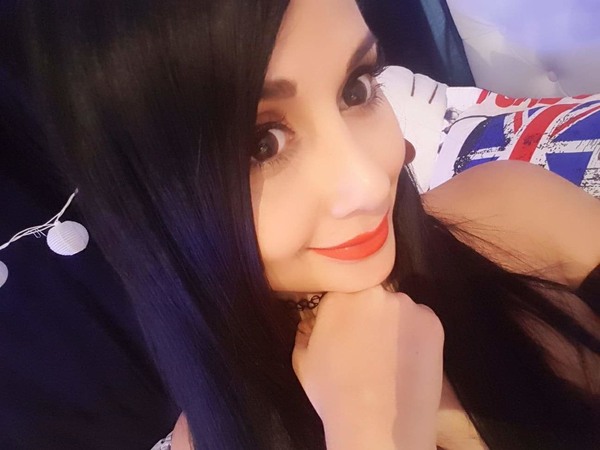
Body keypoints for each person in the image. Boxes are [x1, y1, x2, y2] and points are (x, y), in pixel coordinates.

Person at [20, 0, 599, 449]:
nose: (369, 183)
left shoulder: (514, 219)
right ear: (152, 203)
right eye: (263, 143)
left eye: (357, 89)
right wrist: (372, 434)